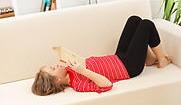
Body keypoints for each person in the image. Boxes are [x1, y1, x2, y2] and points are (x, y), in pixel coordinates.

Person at [32, 15, 171, 96]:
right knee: (146, 24)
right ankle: (162, 60)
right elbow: (106, 85)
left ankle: (149, 58)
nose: (56, 65)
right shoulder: (77, 84)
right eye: (53, 68)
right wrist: (83, 71)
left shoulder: (69, 69)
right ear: (56, 80)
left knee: (134, 20)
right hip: (129, 67)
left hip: (118, 57)